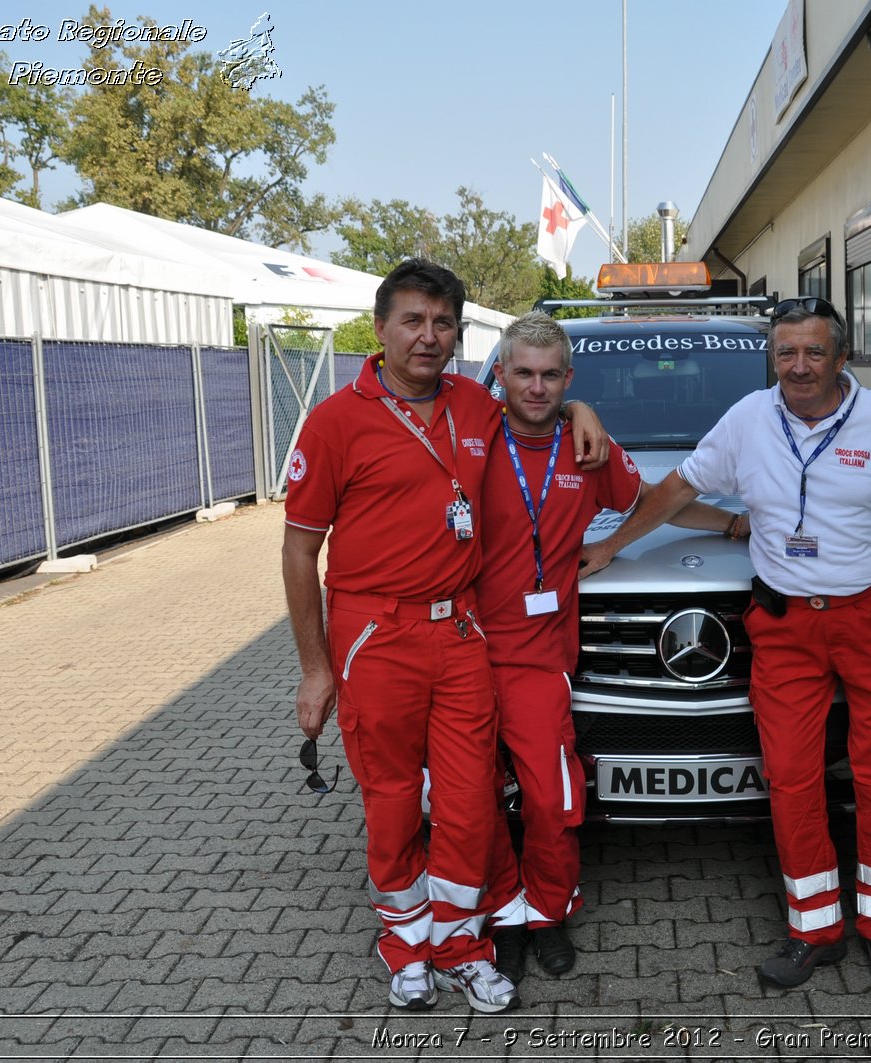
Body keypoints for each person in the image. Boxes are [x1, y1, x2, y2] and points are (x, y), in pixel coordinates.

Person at [579, 296, 871, 990]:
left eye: (814, 352)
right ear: (774, 358)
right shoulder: (748, 420)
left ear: (841, 356)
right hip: (787, 626)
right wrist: (614, 542)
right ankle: (814, 928)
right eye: (786, 352)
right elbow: (678, 487)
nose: (798, 366)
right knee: (792, 778)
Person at [280, 260, 605, 1015]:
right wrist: (313, 667)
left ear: (459, 334)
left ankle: (463, 945)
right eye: (413, 321)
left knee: (467, 800)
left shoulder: (473, 401)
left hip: (460, 629)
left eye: (443, 323)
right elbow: (299, 550)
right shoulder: (336, 420)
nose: (429, 337)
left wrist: (582, 406)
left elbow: (540, 397)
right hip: (375, 632)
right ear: (380, 328)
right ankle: (406, 947)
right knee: (393, 799)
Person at [476, 312, 741, 983]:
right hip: (463, 650)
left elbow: (656, 502)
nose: (536, 388)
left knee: (546, 797)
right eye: (523, 373)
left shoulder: (588, 448)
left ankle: (547, 911)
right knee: (470, 799)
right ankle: (500, 916)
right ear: (500, 375)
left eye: (551, 376)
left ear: (569, 378)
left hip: (540, 654)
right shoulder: (466, 436)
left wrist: (734, 521)